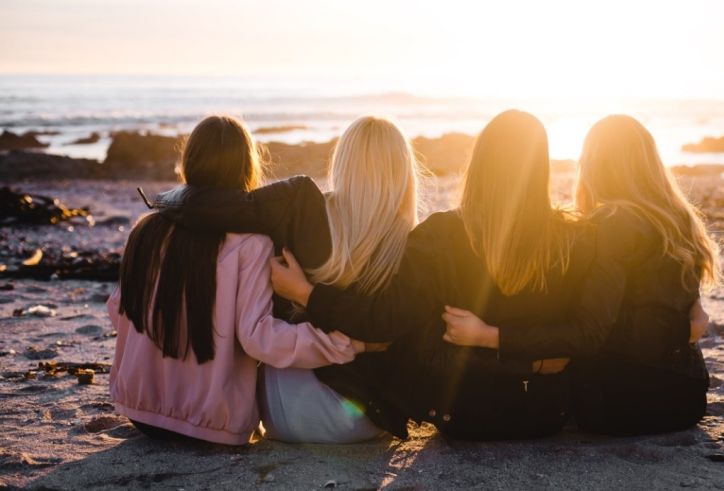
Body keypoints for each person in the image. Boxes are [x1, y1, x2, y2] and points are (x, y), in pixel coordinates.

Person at [271, 110, 601, 440]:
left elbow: (421, 347)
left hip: (463, 415)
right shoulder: (575, 238)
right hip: (547, 413)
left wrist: (308, 296)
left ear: (479, 163)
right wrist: (531, 363)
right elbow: (584, 335)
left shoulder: (440, 237)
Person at [441, 114, 720, 436]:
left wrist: (491, 336)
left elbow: (589, 335)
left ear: (595, 165)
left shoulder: (613, 224)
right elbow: (680, 309)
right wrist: (689, 327)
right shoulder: (680, 221)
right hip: (687, 399)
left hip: (622, 404)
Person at [152, 116, 422, 441]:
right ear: (404, 173)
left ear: (343, 161)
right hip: (372, 423)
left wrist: (164, 199)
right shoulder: (413, 244)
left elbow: (217, 207)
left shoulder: (302, 205)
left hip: (290, 412)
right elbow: (388, 325)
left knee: (264, 317)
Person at [108, 115, 359, 445]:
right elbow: (260, 338)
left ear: (189, 161)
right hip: (212, 425)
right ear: (247, 168)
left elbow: (118, 310)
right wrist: (341, 343)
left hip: (140, 414)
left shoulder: (146, 230)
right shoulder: (251, 244)